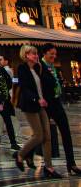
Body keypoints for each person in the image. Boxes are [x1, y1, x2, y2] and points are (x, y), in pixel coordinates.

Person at [13, 43, 61, 178]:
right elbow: (25, 88)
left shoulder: (38, 67)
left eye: (36, 53)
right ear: (26, 55)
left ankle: (49, 167)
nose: (36, 56)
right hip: (30, 105)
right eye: (33, 53)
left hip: (41, 105)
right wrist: (36, 99)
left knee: (47, 137)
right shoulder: (22, 68)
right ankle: (21, 154)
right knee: (38, 135)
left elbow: (49, 83)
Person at [40, 43, 81, 176]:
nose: (54, 56)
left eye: (55, 53)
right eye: (51, 53)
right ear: (45, 53)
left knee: (66, 133)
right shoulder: (40, 67)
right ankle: (28, 155)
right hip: (46, 105)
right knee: (44, 136)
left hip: (56, 103)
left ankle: (71, 163)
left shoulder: (53, 67)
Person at [0, 51, 19, 150]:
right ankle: (12, 142)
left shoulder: (2, 70)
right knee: (5, 120)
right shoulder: (0, 69)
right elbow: (11, 83)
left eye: (0, 59)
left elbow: (11, 82)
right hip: (3, 98)